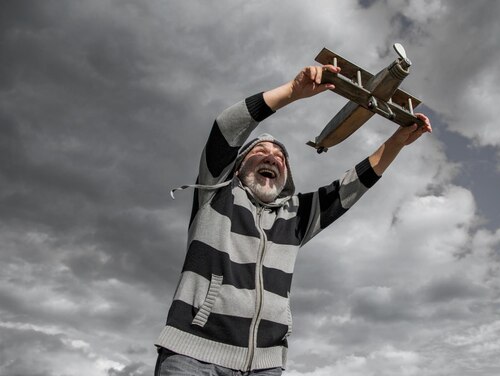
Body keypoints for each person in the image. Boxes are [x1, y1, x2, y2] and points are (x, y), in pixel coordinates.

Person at [154, 64, 432, 376]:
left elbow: (351, 187)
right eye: (260, 151)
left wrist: (397, 141)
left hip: (265, 367)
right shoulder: (215, 194)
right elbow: (225, 128)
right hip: (193, 357)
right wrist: (292, 92)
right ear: (237, 167)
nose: (272, 156)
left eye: (280, 156)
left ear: (285, 175)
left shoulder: (296, 216)